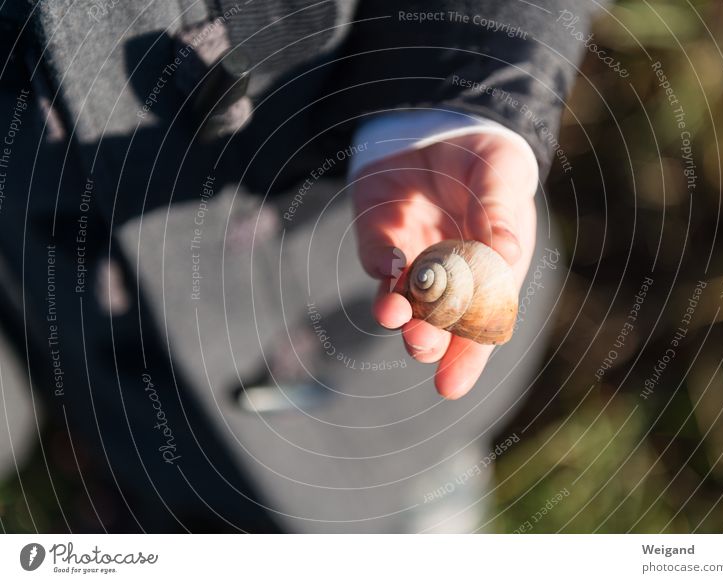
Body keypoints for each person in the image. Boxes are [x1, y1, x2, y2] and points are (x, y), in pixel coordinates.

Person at [0, 0, 601, 532]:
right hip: (99, 371)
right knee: (168, 479)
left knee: (402, 488)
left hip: (355, 298)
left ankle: (417, 512)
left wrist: (461, 96)